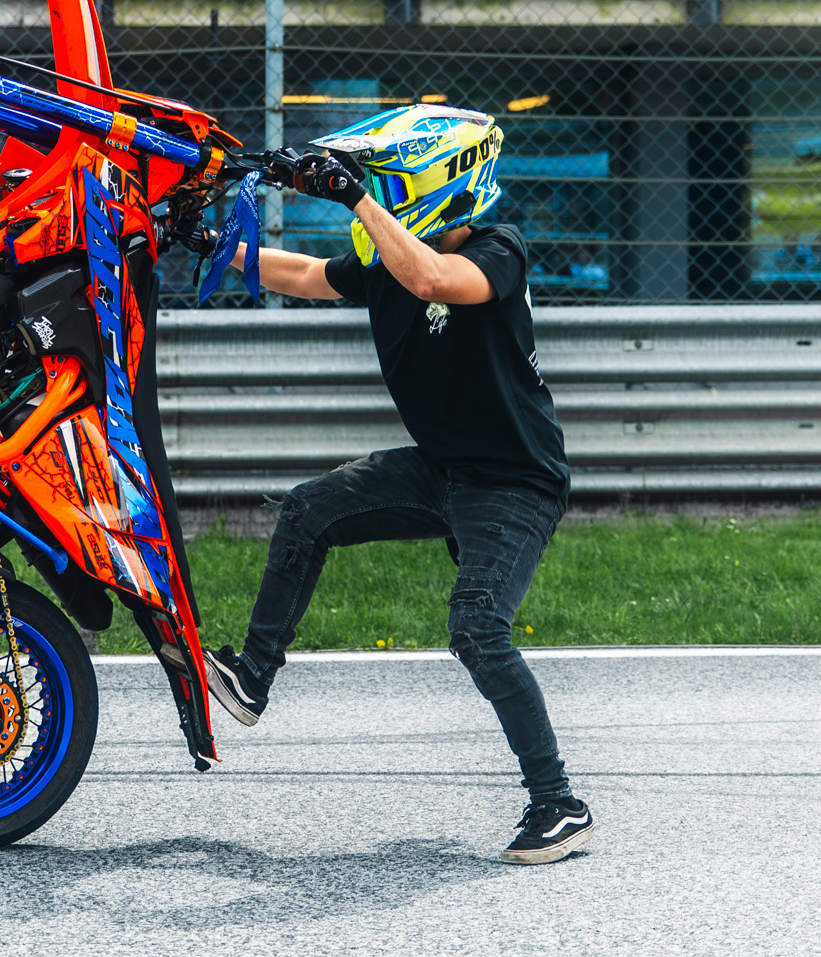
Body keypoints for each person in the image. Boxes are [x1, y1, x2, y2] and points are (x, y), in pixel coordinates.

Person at [199, 107, 588, 862]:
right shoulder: (388, 262)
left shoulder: (497, 250)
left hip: (514, 481)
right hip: (441, 466)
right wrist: (213, 244)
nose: (376, 193)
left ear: (439, 181)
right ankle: (251, 678)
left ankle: (559, 804)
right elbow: (304, 274)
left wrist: (353, 197)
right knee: (308, 510)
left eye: (385, 182)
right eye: (371, 183)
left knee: (478, 630)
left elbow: (431, 277)